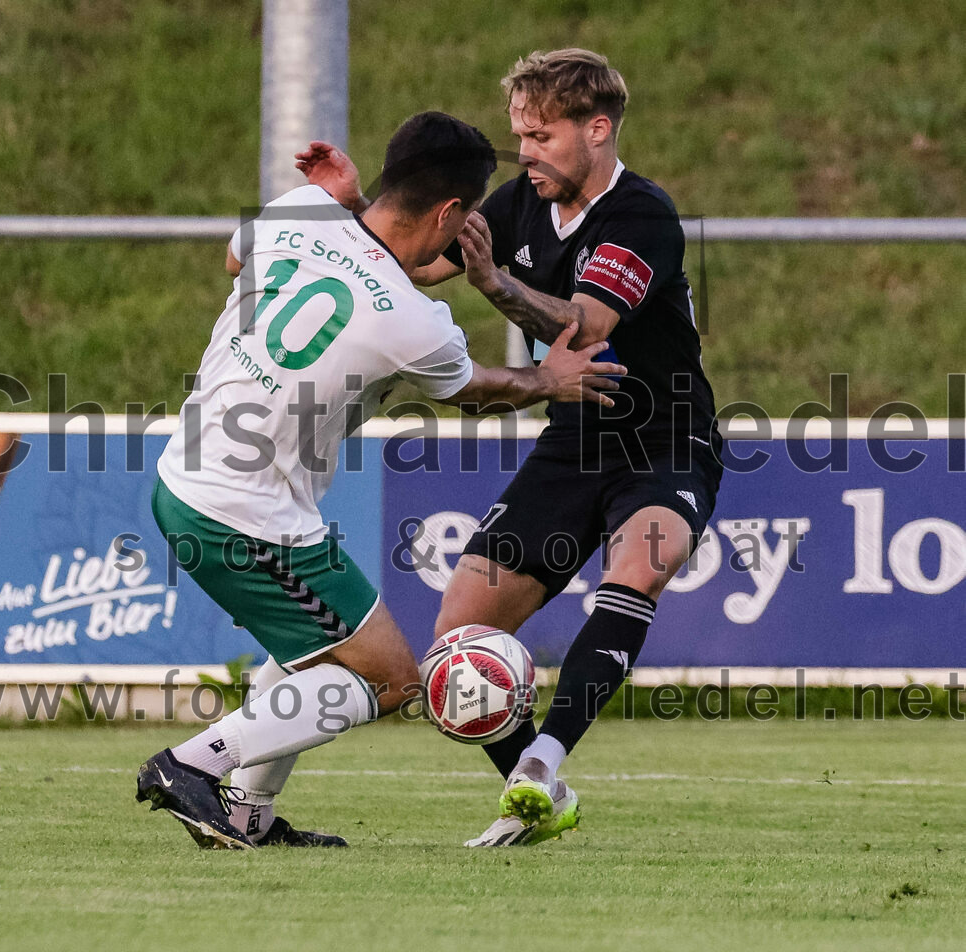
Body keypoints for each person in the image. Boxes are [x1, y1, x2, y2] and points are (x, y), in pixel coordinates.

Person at [136, 110, 625, 850]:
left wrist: (337, 200)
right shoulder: (414, 322)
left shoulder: (301, 209)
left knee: (314, 650)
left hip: (197, 478)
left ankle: (244, 817)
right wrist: (547, 376)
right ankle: (190, 767)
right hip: (243, 512)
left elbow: (239, 261)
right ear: (451, 213)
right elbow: (475, 388)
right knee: (391, 679)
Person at [297, 49, 723, 848]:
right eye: (517, 135)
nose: (523, 152)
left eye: (540, 135)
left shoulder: (641, 216)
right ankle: (536, 786)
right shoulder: (518, 202)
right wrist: (358, 204)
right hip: (572, 443)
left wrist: (494, 287)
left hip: (668, 439)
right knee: (457, 640)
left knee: (638, 567)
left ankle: (545, 757)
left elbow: (584, 328)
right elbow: (410, 261)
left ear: (596, 130)